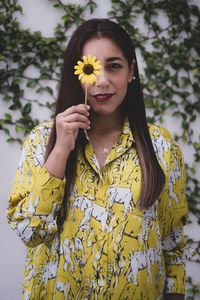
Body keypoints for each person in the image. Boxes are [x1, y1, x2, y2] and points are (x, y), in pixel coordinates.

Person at [7, 18, 193, 300]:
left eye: (114, 66)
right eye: (91, 68)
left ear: (131, 71)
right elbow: (29, 231)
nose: (102, 81)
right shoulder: (40, 142)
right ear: (77, 74)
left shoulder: (161, 146)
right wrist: (60, 150)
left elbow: (172, 242)